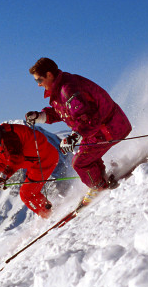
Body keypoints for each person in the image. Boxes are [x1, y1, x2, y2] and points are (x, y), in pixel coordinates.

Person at [25, 57, 132, 194]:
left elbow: (86, 116)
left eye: (39, 80)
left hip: (109, 127)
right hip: (101, 127)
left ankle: (100, 188)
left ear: (49, 75)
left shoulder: (67, 89)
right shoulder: (61, 89)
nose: (38, 84)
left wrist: (74, 137)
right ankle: (101, 179)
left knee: (80, 163)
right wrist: (40, 117)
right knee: (86, 157)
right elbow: (63, 112)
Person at [0, 117, 59, 218]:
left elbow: (16, 158)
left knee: (26, 193)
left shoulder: (5, 136)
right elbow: (2, 163)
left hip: (45, 159)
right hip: (35, 162)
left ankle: (50, 216)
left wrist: (3, 177)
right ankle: (51, 212)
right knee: (28, 192)